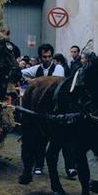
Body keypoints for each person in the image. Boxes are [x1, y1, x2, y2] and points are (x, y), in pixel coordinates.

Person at [21, 44, 70, 177]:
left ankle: (69, 168)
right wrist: (26, 79)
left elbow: (54, 81)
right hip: (42, 109)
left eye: (49, 56)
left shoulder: (58, 68)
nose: (47, 59)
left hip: (58, 109)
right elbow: (21, 73)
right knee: (40, 138)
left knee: (64, 139)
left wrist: (34, 81)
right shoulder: (36, 68)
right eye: (44, 57)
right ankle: (39, 165)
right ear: (40, 57)